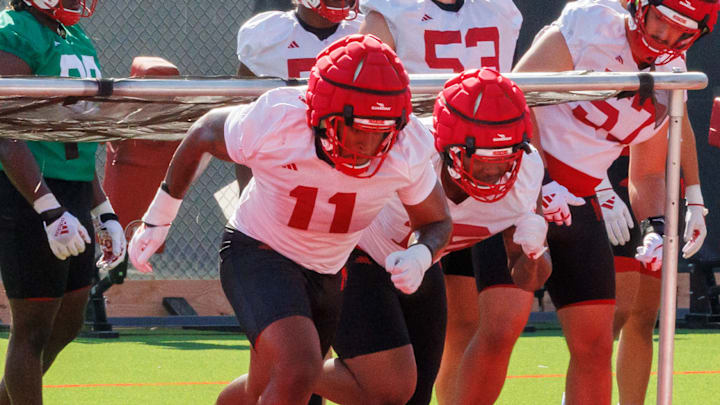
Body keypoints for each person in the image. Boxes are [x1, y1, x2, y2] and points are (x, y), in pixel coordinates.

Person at [127, 34, 453, 404]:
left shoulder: (406, 146)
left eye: (382, 131)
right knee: (299, 370)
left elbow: (437, 221)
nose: (368, 144)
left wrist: (421, 253)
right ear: (323, 113)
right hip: (259, 250)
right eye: (358, 128)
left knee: (265, 388)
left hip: (328, 271)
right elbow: (204, 132)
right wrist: (159, 218)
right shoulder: (280, 120)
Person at [512, 0, 718, 403]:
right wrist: (541, 182)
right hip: (522, 187)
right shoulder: (591, 23)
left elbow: (651, 167)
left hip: (583, 196)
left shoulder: (671, 69)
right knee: (497, 329)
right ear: (642, 7)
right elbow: (516, 96)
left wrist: (658, 223)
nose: (666, 36)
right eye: (662, 19)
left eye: (682, 30)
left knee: (600, 341)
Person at [310, 67, 551, 405]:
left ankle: (290, 372)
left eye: (505, 159)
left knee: (416, 396)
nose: (495, 173)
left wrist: (534, 247)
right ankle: (282, 371)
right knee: (387, 387)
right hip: (354, 252)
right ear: (449, 146)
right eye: (482, 160)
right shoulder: (409, 150)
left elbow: (528, 279)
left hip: (421, 265)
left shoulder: (526, 170)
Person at [357, 1, 529, 403]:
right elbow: (369, 86)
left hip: (482, 175)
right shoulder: (390, 9)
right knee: (392, 353)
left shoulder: (498, 9)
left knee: (464, 323)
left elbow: (517, 94)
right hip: (416, 174)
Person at [0, 1, 126, 404]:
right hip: (27, 190)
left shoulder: (73, 35)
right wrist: (47, 207)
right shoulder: (14, 31)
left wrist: (101, 208)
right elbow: (4, 130)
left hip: (70, 187)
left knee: (70, 318)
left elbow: (76, 138)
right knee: (32, 327)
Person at [592, 1, 711, 403]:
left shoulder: (671, 29)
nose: (666, 28)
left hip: (653, 175)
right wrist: (596, 187)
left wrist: (695, 195)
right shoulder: (596, 20)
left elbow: (679, 117)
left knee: (644, 317)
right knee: (611, 314)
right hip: (600, 171)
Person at [234, 0, 363, 207]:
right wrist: (246, 197)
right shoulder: (267, 34)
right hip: (283, 159)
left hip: (346, 159)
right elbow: (244, 121)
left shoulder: (364, 33)